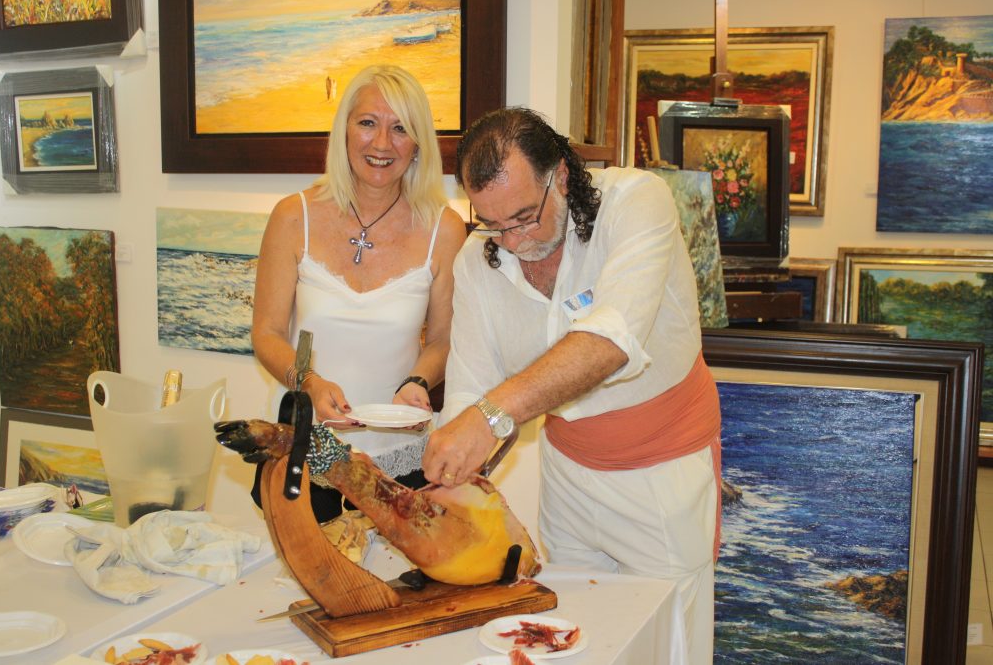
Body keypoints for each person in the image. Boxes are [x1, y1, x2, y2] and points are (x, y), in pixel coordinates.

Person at [422, 108, 721, 664]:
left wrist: (490, 415)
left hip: (662, 473)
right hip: (568, 479)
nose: (513, 241)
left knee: (668, 644)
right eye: (493, 224)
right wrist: (458, 458)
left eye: (524, 217)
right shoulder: (476, 260)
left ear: (559, 176)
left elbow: (611, 340)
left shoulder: (636, 202)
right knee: (571, 639)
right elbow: (470, 388)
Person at [251, 65, 466, 522]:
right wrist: (309, 382)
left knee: (395, 570)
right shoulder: (292, 216)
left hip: (400, 455)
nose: (382, 143)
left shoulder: (444, 229)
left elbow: (444, 340)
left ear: (419, 143)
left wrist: (417, 382)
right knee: (305, 567)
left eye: (400, 128)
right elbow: (266, 333)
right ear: (344, 130)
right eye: (368, 123)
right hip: (306, 446)